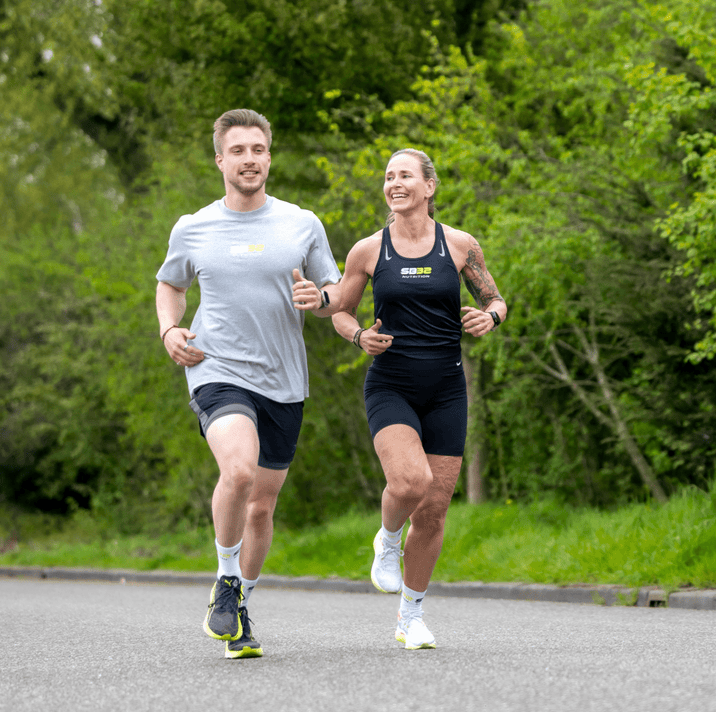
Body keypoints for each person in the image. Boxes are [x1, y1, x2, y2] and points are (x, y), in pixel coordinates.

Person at [155, 109, 342, 659]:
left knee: (262, 506)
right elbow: (170, 285)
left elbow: (333, 291)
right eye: (238, 151)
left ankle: (238, 604)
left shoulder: (301, 223)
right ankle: (226, 577)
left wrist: (322, 300)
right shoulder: (193, 226)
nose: (250, 160)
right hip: (216, 368)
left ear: (269, 156)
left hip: (283, 379)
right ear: (220, 160)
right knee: (237, 470)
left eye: (258, 149)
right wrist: (170, 329)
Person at [331, 148, 507, 650]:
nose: (394, 183)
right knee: (410, 481)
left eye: (405, 175)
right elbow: (340, 310)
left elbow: (495, 298)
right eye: (388, 177)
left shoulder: (459, 245)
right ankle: (386, 540)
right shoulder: (368, 250)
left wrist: (488, 317)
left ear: (429, 186)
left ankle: (411, 617)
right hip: (391, 385)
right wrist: (358, 335)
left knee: (432, 511)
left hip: (447, 389)